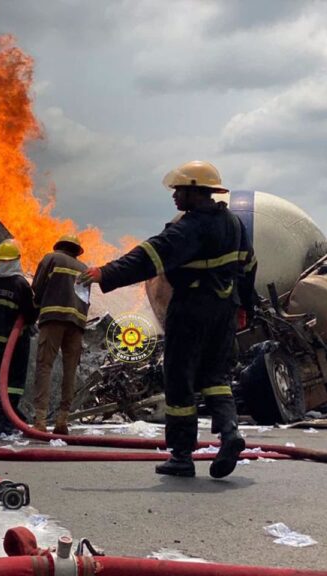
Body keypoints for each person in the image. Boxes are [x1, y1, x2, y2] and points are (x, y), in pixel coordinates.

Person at [79, 160, 257, 478]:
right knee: (215, 378)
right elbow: (248, 266)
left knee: (179, 378)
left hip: (191, 309)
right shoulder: (234, 224)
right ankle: (230, 433)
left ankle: (181, 456)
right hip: (224, 310)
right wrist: (245, 306)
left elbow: (147, 257)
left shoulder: (190, 228)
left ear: (194, 191)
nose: (174, 196)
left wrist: (104, 273)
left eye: (179, 190)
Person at [32, 234, 90, 434]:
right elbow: (85, 298)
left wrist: (33, 310)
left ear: (60, 246)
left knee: (45, 366)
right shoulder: (84, 269)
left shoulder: (51, 258)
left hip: (53, 318)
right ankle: (62, 421)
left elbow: (37, 289)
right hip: (77, 325)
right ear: (76, 249)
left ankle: (40, 421)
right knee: (70, 370)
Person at [0, 239, 38, 435]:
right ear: (16, 261)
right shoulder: (19, 283)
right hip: (16, 342)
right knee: (14, 383)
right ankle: (7, 423)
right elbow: (30, 314)